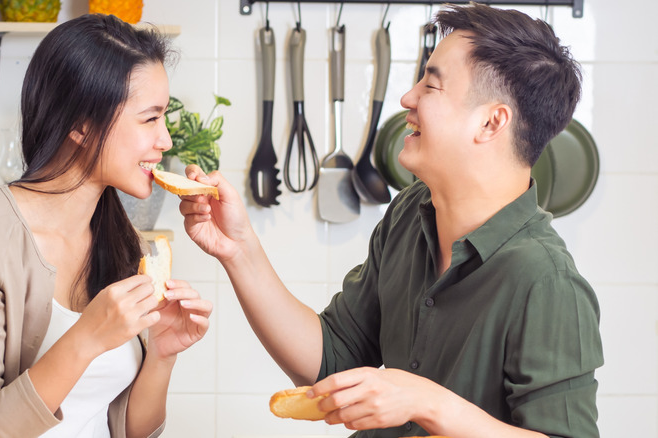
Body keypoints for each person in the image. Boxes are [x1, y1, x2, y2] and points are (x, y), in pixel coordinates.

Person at [179, 3, 602, 438]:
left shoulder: (547, 282)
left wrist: (429, 402)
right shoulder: (409, 212)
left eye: (431, 85)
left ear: (491, 122)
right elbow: (331, 360)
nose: (408, 98)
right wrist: (239, 248)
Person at [0, 14, 212, 438]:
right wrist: (86, 339)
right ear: (81, 124)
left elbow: (126, 429)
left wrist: (163, 354)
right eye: (150, 119)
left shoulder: (120, 239)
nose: (165, 140)